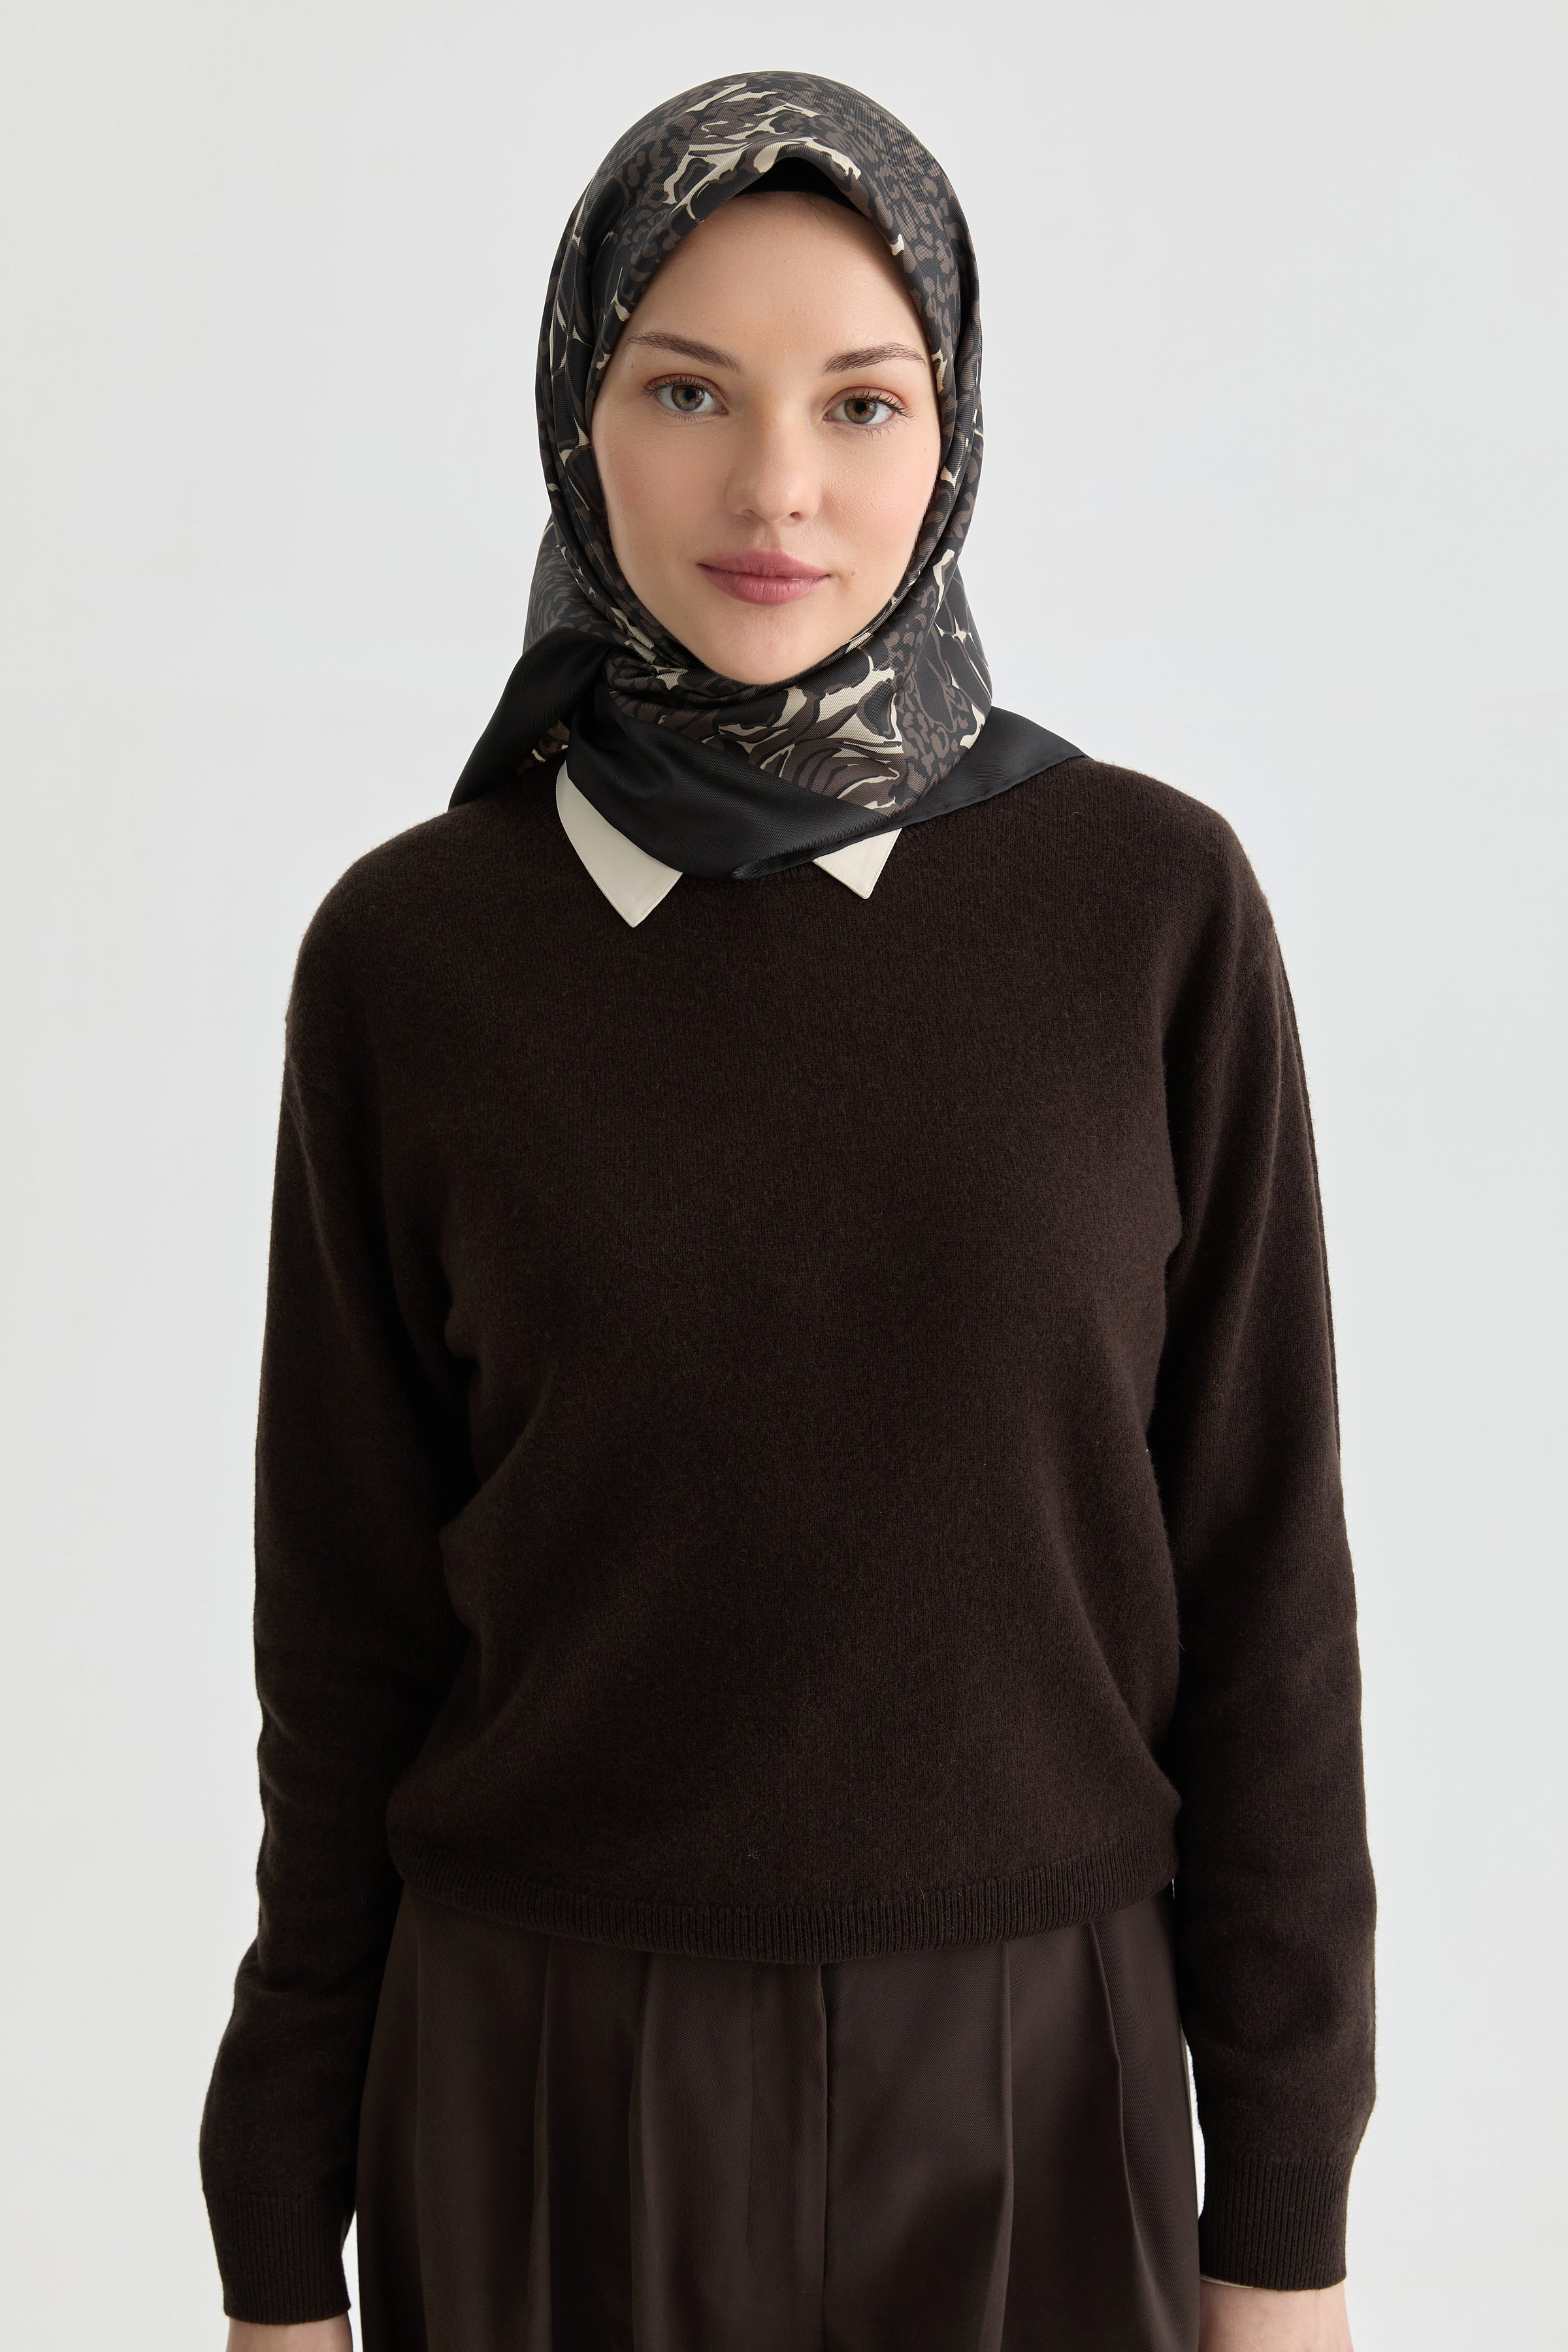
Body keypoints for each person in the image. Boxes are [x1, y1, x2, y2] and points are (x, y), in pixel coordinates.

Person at [201, 71, 1376, 2352]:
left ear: (952, 430)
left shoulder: (1148, 910)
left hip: (1042, 2084)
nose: (776, 488)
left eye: (859, 400)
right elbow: (337, 1644)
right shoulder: (415, 958)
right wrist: (274, 2244)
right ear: (578, 414)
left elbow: (1267, 1607)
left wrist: (1284, 2226)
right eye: (686, 391)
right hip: (534, 2088)